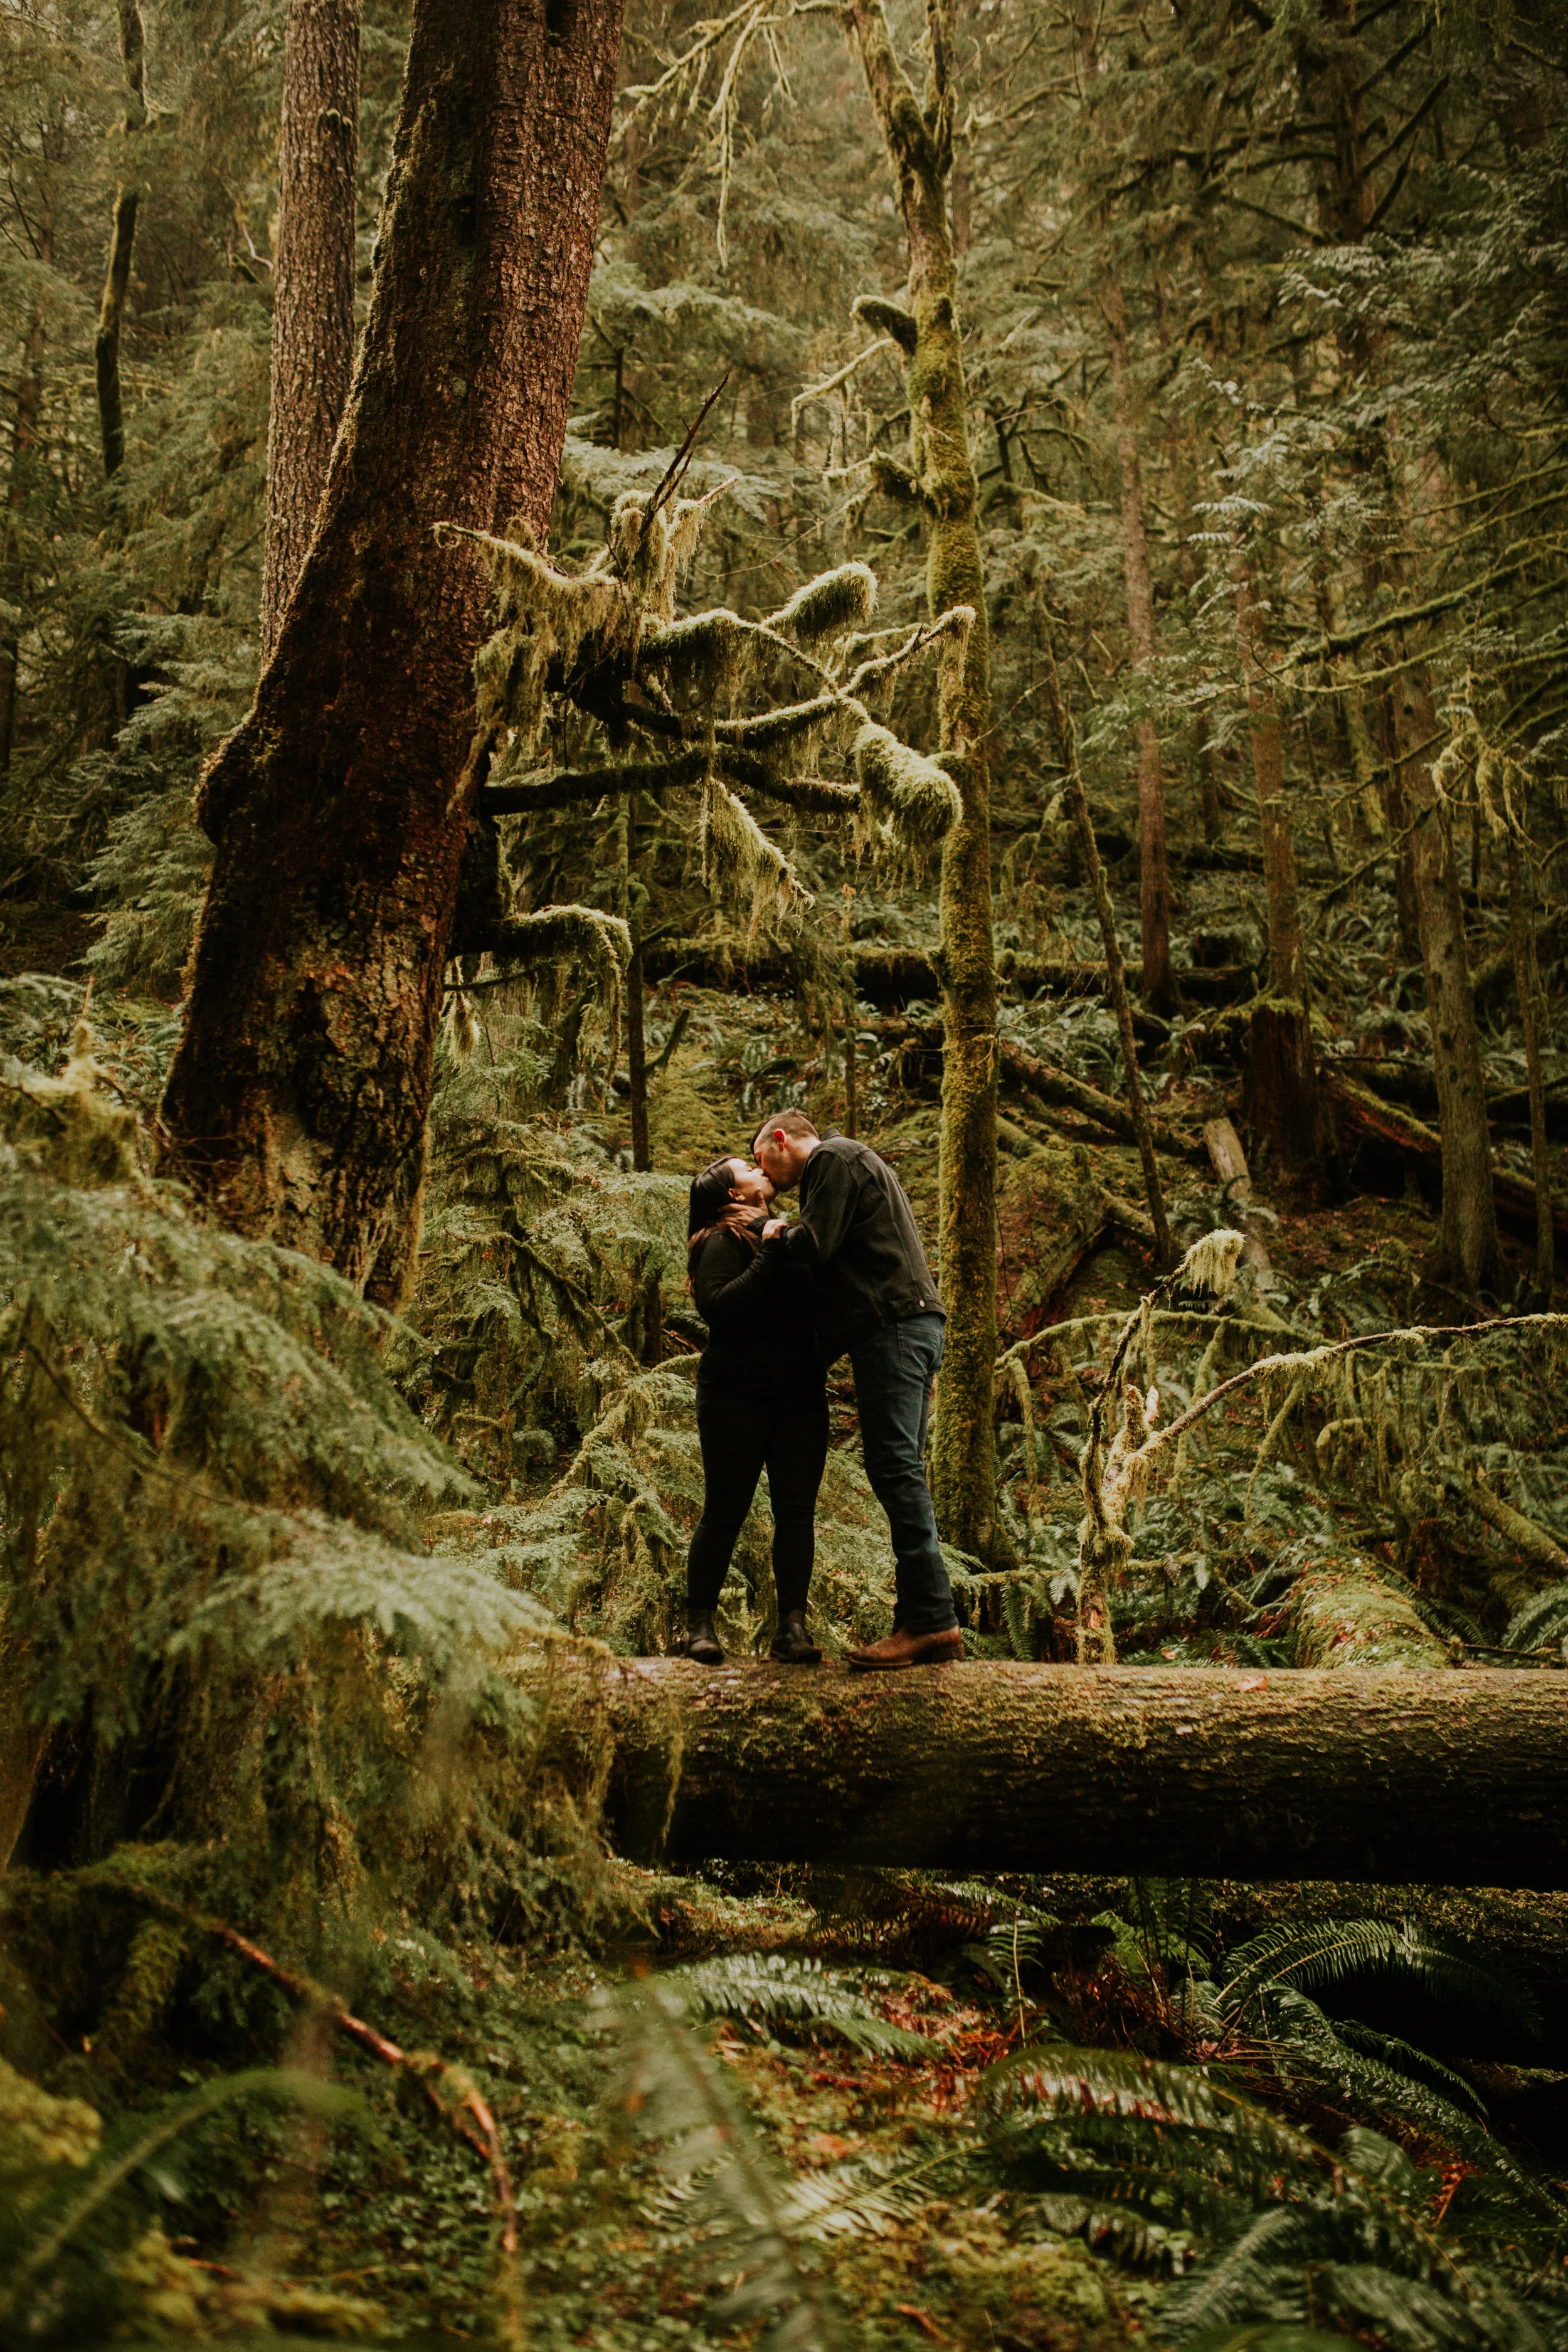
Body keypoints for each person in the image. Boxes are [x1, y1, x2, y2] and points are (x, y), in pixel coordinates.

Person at [751, 1110, 962, 1670]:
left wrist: (775, 1231)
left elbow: (816, 1246)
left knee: (894, 1468)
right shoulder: (854, 1162)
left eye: (761, 1162)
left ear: (781, 1139)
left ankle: (933, 1621)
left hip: (894, 1328)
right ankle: (919, 1615)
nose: (764, 1177)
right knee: (904, 1469)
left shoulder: (832, 1159)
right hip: (915, 1325)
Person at [679, 1154, 828, 1666]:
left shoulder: (789, 1232)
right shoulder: (720, 1240)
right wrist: (767, 1255)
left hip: (800, 1396)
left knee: (796, 1515)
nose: (760, 1168)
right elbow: (720, 1309)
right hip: (734, 1395)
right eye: (746, 1167)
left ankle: (792, 1630)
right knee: (725, 1511)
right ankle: (698, 1626)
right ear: (734, 1196)